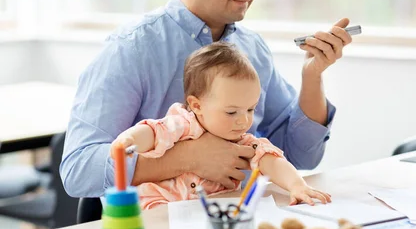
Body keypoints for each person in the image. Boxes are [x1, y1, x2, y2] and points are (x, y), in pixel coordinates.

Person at [61, 0, 352, 198]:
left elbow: (302, 156)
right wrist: (187, 157)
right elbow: (78, 171)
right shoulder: (131, 50)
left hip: (237, 219)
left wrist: (312, 77)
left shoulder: (253, 50)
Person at [114, 42, 331, 209]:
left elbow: (270, 161)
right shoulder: (183, 123)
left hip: (203, 213)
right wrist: (129, 141)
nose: (243, 120)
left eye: (250, 109)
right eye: (231, 112)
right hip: (156, 203)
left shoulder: (241, 140)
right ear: (196, 105)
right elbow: (152, 131)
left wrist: (296, 185)